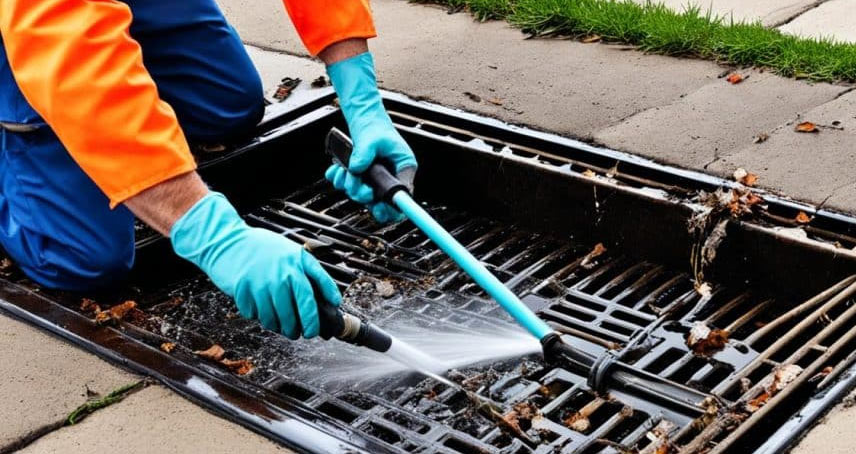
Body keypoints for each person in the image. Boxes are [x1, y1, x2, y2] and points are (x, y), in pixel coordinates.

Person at [0, 0, 416, 340]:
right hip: (32, 19)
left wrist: (363, 106)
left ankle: (121, 62)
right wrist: (216, 237)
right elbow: (72, 51)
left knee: (229, 105)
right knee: (80, 259)